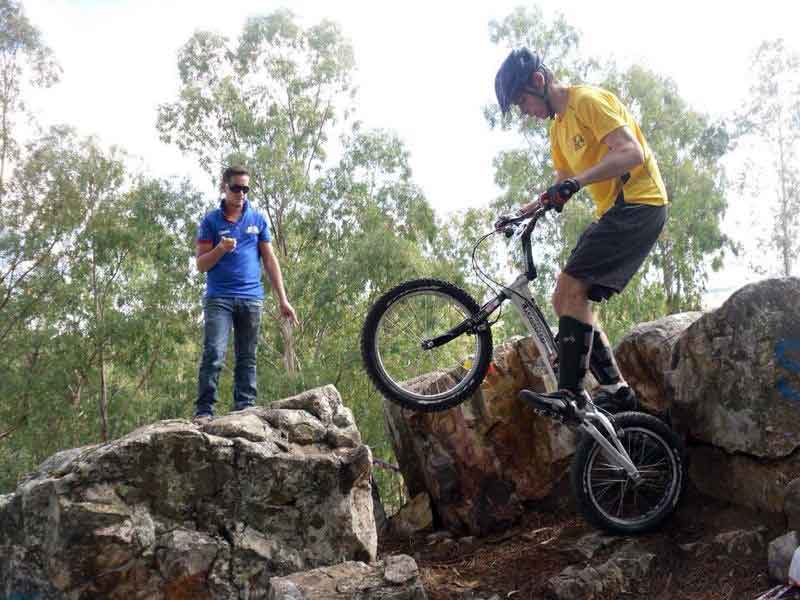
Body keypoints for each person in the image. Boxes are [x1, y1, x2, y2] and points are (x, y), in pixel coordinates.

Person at [494, 48, 668, 416]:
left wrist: (577, 182)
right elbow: (559, 184)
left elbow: (631, 153)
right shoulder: (558, 129)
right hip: (616, 211)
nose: (525, 112)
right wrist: (521, 214)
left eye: (522, 102)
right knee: (565, 298)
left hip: (641, 202)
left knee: (572, 288)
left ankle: (570, 392)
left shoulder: (588, 101)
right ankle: (618, 391)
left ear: (538, 81)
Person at [193, 166, 299, 421]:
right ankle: (204, 411)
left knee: (247, 357)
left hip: (252, 298)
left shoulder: (257, 219)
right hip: (219, 298)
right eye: (236, 187)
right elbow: (200, 265)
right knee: (214, 353)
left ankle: (244, 408)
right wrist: (220, 249)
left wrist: (283, 300)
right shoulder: (210, 221)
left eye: (245, 188)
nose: (241, 193)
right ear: (224, 187)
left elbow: (270, 261)